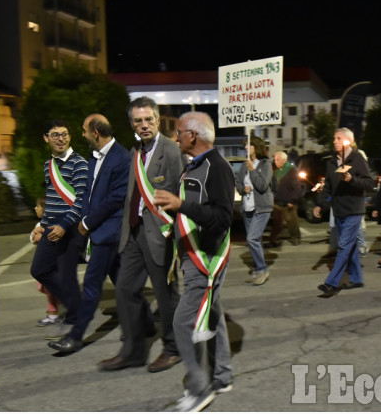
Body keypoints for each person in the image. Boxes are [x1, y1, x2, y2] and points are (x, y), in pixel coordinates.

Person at [154, 112, 234, 412]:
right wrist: (172, 215)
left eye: (178, 132)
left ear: (192, 135)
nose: (175, 137)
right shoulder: (195, 167)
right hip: (191, 254)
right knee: (213, 313)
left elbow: (223, 218)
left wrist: (181, 205)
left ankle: (200, 391)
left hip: (206, 258)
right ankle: (223, 376)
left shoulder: (218, 168)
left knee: (181, 321)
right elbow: (195, 210)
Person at [98, 96, 184, 373]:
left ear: (158, 120)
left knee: (166, 294)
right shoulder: (136, 151)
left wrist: (180, 237)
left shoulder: (171, 150)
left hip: (161, 233)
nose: (144, 124)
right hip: (134, 232)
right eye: (138, 120)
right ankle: (133, 351)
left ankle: (173, 348)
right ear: (132, 123)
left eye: (149, 119)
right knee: (124, 289)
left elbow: (182, 194)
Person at [48, 114, 130, 353]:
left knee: (92, 286)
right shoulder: (95, 157)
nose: (82, 135)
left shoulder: (122, 158)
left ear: (95, 132)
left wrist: (90, 222)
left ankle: (75, 337)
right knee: (123, 283)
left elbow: (116, 198)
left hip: (109, 232)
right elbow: (87, 192)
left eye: (84, 130)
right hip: (96, 229)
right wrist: (81, 221)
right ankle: (144, 322)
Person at [30, 120, 88, 340]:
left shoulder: (79, 164)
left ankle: (75, 321)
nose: (60, 139)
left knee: (66, 276)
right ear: (47, 138)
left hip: (70, 229)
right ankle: (77, 306)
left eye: (64, 134)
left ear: (70, 137)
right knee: (39, 270)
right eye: (55, 135)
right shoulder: (49, 165)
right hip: (50, 229)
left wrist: (64, 225)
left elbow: (81, 201)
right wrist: (40, 227)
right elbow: (52, 201)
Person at [314, 128, 374, 297]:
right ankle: (356, 278)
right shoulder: (332, 162)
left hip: (354, 211)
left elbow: (369, 183)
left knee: (344, 246)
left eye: (338, 138)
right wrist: (320, 205)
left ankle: (332, 283)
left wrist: (352, 180)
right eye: (334, 138)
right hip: (339, 211)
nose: (334, 141)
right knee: (351, 245)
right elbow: (328, 187)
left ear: (347, 140)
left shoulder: (357, 158)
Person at [235, 136, 273, 286]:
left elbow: (263, 186)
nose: (245, 148)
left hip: (262, 208)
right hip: (248, 208)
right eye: (244, 145)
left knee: (251, 239)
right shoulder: (245, 165)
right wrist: (242, 189)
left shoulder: (265, 165)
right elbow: (238, 182)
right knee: (256, 240)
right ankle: (258, 269)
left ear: (255, 147)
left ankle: (263, 269)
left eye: (247, 145)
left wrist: (252, 170)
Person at [30, 196, 61, 327]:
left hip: (54, 262)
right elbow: (32, 237)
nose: (35, 208)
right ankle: (52, 313)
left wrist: (42, 237)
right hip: (45, 261)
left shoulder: (52, 223)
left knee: (49, 287)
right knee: (46, 288)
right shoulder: (40, 224)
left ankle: (54, 313)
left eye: (38, 206)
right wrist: (35, 237)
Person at [267, 151, 301, 248]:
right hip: (278, 202)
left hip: (288, 202)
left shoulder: (292, 170)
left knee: (292, 222)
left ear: (284, 160)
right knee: (277, 222)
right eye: (275, 159)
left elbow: (297, 187)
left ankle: (295, 238)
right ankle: (273, 239)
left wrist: (292, 200)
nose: (275, 161)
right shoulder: (276, 171)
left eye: (278, 159)